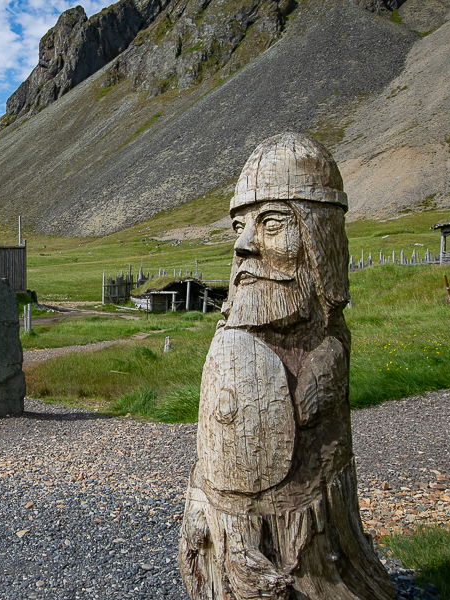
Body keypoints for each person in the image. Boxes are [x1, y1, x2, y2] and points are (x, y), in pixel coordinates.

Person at [178, 133, 396, 600]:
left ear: (318, 237)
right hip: (223, 511)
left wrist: (328, 363)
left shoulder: (325, 335)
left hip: (304, 514)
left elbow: (334, 331)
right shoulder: (232, 321)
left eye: (271, 223)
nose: (244, 245)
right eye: (239, 226)